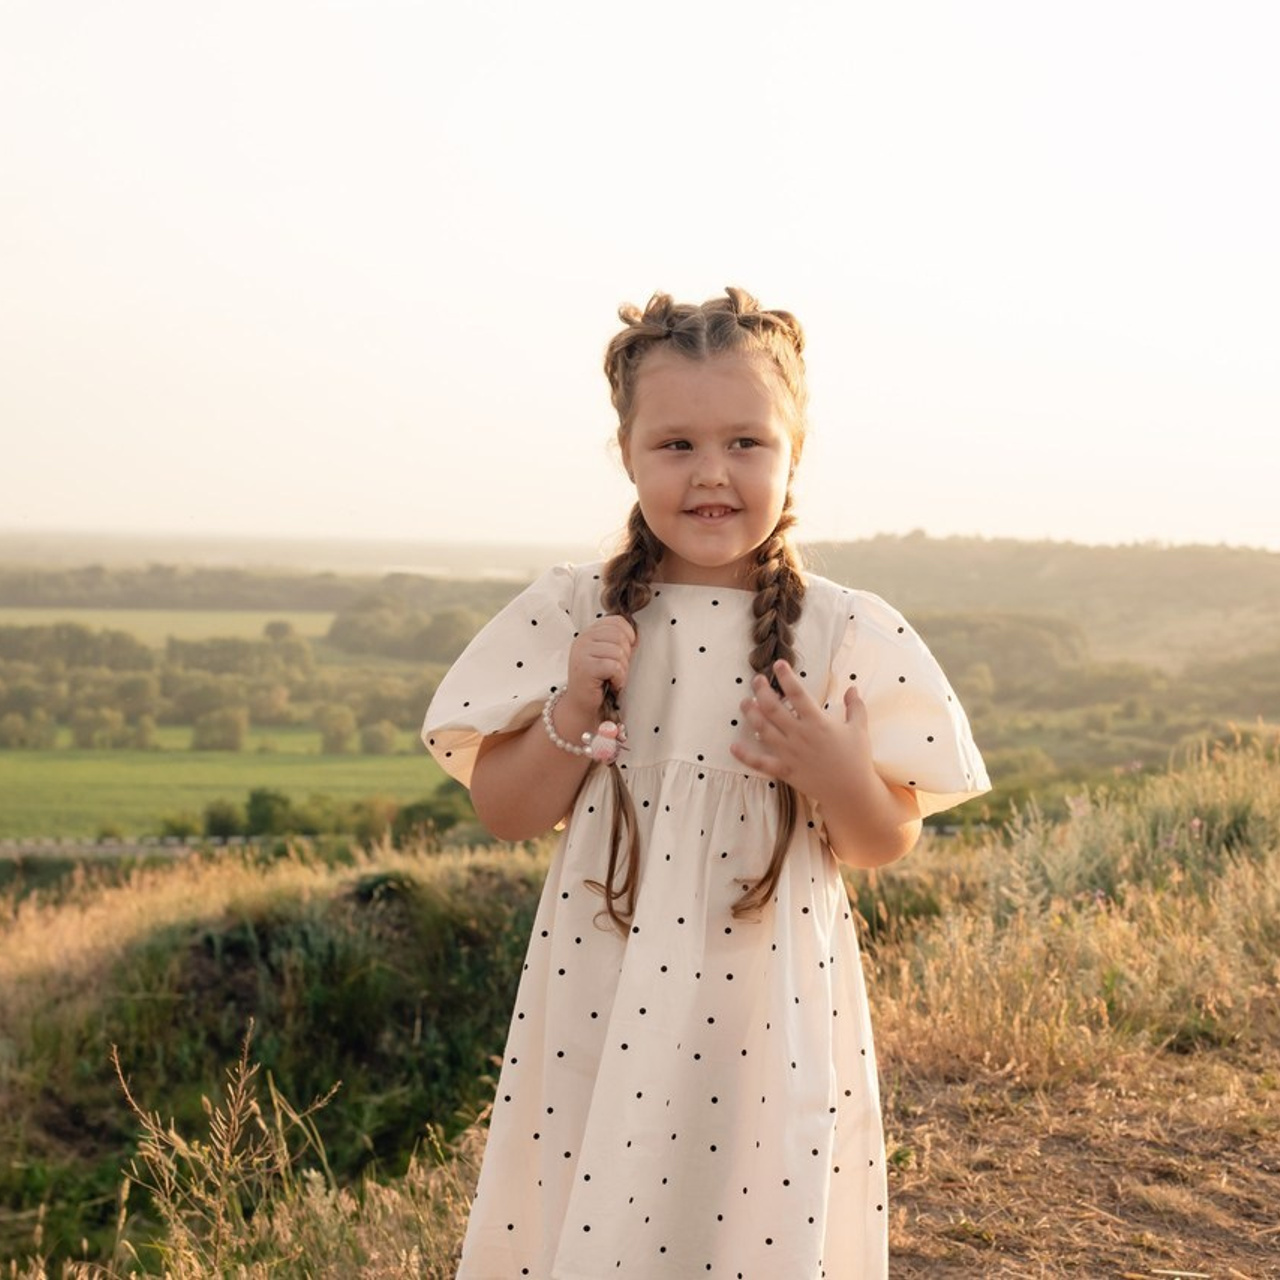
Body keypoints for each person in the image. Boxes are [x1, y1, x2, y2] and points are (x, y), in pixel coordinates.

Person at [423, 287, 989, 1279]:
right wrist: (570, 706)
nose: (711, 473)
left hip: (765, 1003)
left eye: (745, 442)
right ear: (626, 452)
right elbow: (505, 809)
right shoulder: (572, 607)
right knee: (597, 1214)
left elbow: (880, 839)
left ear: (794, 449)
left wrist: (833, 770)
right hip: (602, 985)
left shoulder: (840, 631)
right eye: (675, 445)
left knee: (748, 1220)